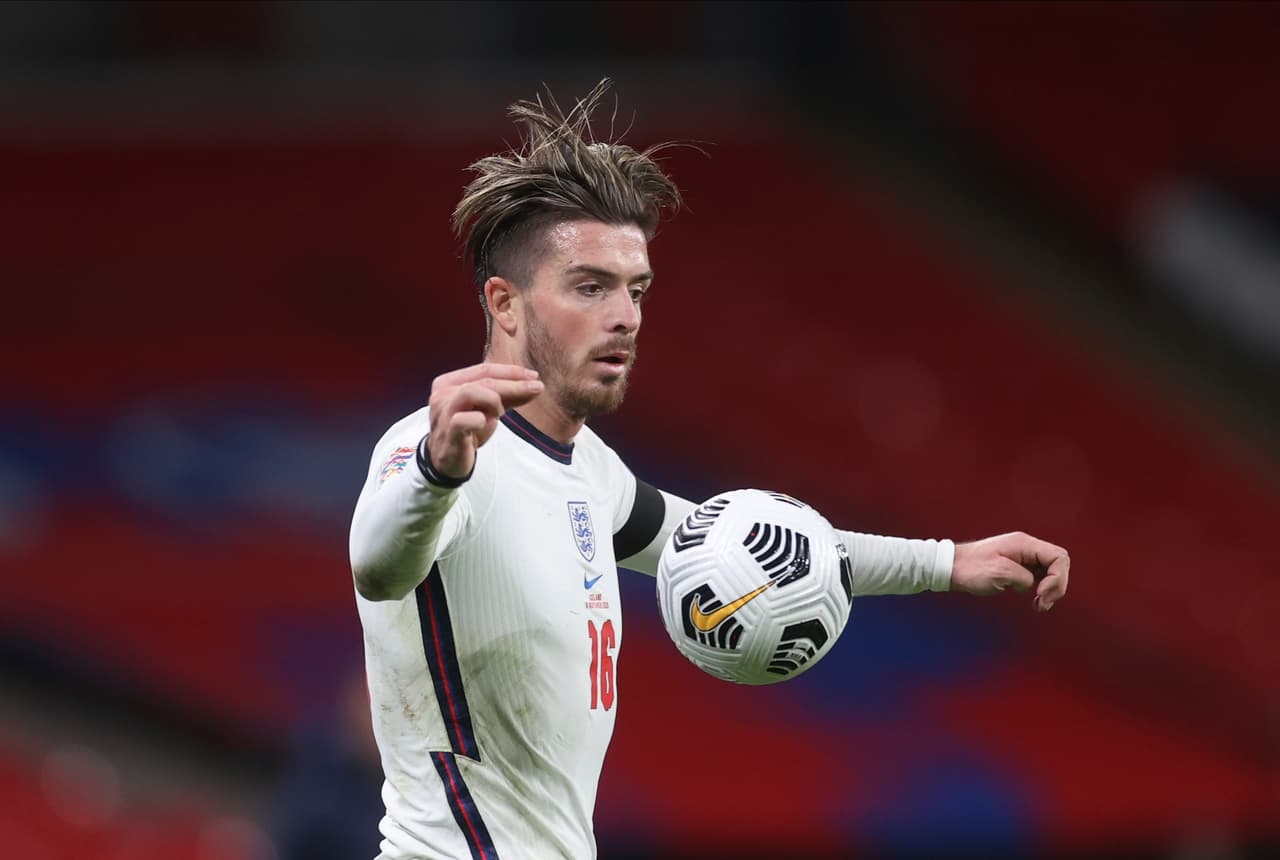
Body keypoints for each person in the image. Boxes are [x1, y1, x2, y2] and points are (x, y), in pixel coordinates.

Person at [349, 80, 1070, 860]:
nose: (624, 315)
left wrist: (948, 563)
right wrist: (436, 467)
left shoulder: (590, 473)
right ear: (506, 303)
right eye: (589, 287)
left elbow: (742, 543)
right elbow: (380, 566)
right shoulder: (440, 449)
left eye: (636, 290)